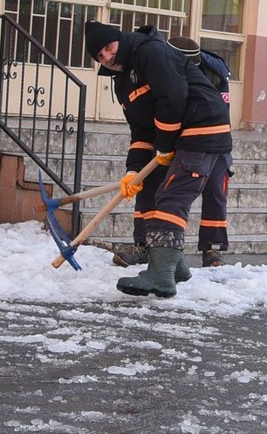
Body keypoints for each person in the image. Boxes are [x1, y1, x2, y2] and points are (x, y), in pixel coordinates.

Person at [84, 19, 232, 298]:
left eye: (108, 47)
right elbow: (141, 130)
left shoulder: (151, 51)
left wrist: (163, 144)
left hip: (202, 128)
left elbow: (173, 98)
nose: (107, 57)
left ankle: (161, 276)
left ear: (119, 39)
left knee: (172, 199)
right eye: (99, 56)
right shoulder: (123, 83)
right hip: (183, 135)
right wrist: (133, 170)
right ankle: (174, 267)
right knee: (161, 194)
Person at [170, 36, 235, 267]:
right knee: (171, 196)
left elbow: (221, 110)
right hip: (184, 142)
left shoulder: (215, 72)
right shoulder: (168, 70)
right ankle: (158, 246)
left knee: (216, 193)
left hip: (217, 142)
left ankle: (212, 248)